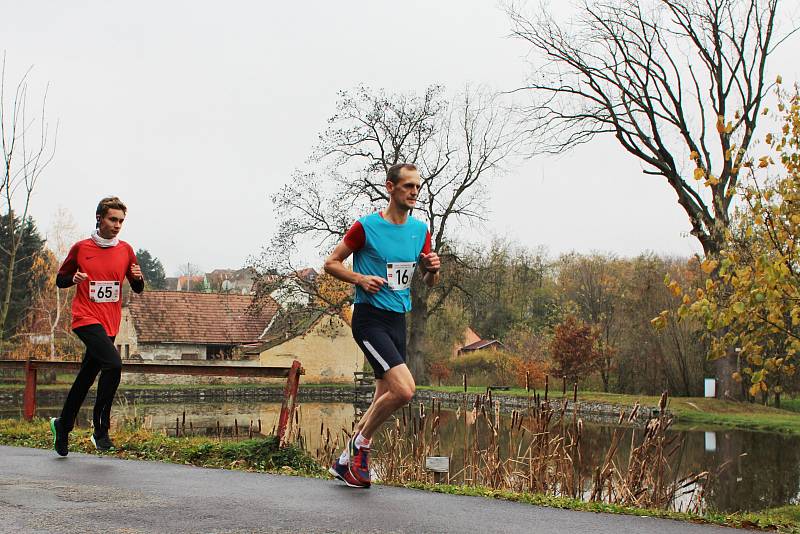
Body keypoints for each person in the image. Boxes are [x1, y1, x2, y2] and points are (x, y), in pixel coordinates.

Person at [324, 163, 440, 488]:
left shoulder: (420, 231)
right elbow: (330, 263)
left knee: (383, 396)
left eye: (417, 187)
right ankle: (361, 446)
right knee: (404, 390)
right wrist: (359, 278)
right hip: (369, 318)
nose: (414, 192)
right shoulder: (366, 227)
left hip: (397, 320)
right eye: (407, 186)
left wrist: (432, 268)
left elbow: (430, 282)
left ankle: (345, 462)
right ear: (390, 187)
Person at [49, 196, 144, 456]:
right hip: (85, 318)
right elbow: (60, 279)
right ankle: (100, 431)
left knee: (86, 377)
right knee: (113, 364)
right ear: (99, 218)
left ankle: (63, 424)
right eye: (113, 219)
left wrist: (138, 279)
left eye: (121, 221)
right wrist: (73, 278)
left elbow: (137, 286)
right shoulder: (81, 248)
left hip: (109, 323)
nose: (117, 225)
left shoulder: (125, 250)